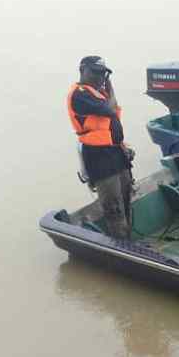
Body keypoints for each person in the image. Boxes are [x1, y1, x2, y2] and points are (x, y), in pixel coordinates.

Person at [66, 55, 135, 239]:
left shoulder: (100, 94)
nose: (99, 77)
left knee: (126, 194)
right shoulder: (80, 94)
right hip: (99, 157)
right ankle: (121, 244)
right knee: (113, 206)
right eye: (95, 72)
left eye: (103, 74)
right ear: (82, 70)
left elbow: (110, 125)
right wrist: (110, 87)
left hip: (116, 152)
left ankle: (129, 239)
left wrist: (124, 147)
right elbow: (109, 110)